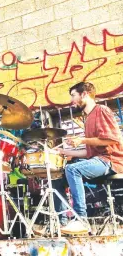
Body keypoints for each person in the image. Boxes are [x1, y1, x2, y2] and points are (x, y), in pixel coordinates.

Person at [53, 82, 123, 234]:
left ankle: (81, 220)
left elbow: (112, 140)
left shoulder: (101, 110)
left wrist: (82, 140)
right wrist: (67, 152)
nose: (72, 100)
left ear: (84, 94)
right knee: (59, 176)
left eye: (73, 95)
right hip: (98, 160)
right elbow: (90, 152)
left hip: (111, 161)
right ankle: (61, 222)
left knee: (72, 169)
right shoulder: (88, 118)